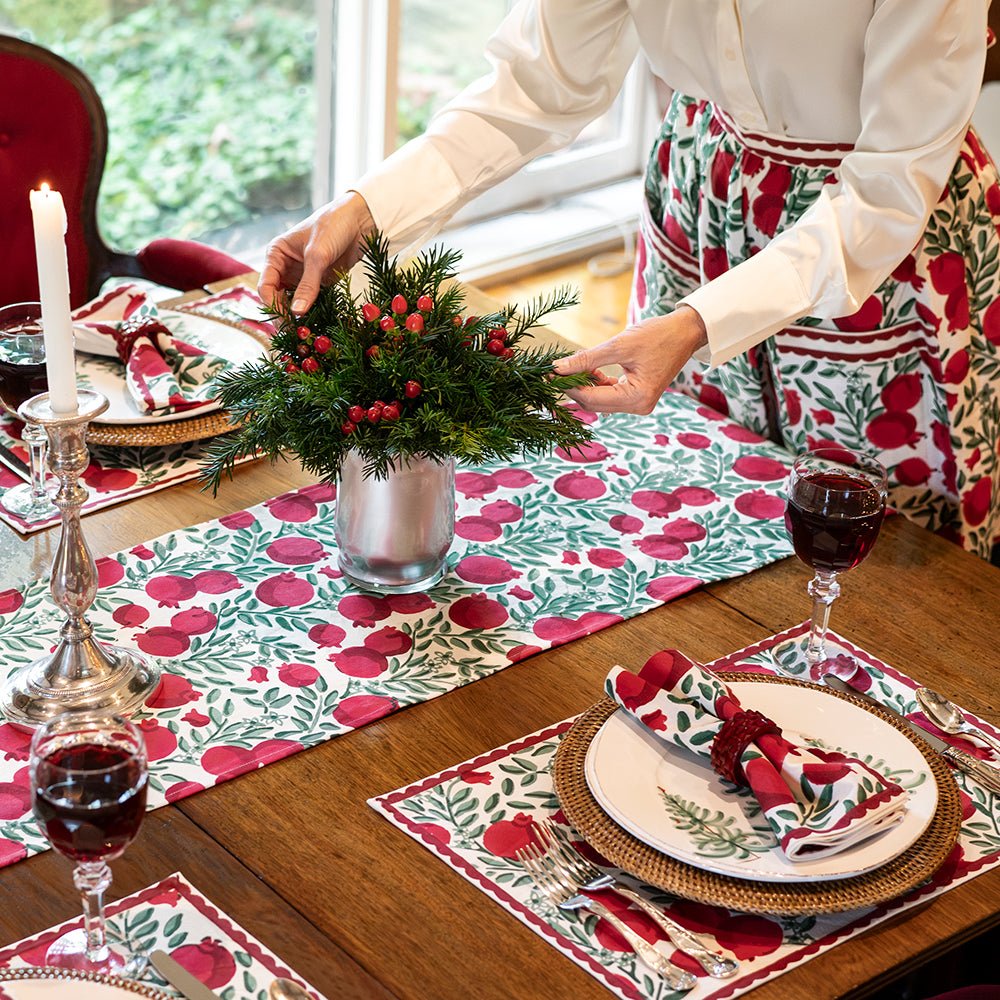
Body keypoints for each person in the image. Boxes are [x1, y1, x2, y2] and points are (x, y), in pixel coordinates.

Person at [258, 1, 999, 559]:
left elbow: (889, 187)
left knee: (880, 546)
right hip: (702, 197)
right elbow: (538, 85)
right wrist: (368, 207)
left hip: (880, 245)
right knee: (702, 509)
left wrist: (700, 323)